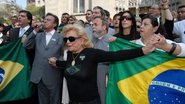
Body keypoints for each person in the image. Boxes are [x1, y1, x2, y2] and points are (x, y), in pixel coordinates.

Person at [48, 24, 155, 104]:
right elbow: (70, 65)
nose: (67, 42)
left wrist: (143, 50)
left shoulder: (92, 53)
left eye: (71, 39)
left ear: (82, 39)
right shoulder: (70, 54)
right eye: (65, 39)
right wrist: (57, 62)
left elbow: (116, 55)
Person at [24, 13, 64, 104]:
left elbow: (64, 54)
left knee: (55, 100)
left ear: (55, 24)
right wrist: (35, 31)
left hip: (53, 74)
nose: (45, 21)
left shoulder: (61, 37)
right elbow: (26, 45)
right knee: (42, 100)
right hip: (39, 75)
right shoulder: (38, 35)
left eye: (48, 20)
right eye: (45, 19)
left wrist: (58, 62)